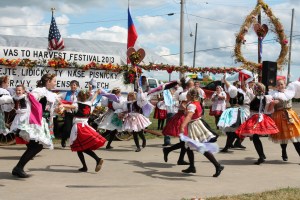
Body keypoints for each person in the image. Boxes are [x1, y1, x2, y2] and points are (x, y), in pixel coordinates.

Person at [12, 73, 58, 178]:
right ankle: (18, 168)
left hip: (41, 122)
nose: (55, 83)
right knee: (36, 146)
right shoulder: (39, 91)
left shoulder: (47, 93)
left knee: (36, 146)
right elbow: (30, 101)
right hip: (34, 122)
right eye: (54, 81)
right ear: (48, 82)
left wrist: (57, 110)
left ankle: (18, 168)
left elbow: (47, 108)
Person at [179, 88, 224, 177]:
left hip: (194, 126)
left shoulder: (192, 105)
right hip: (196, 124)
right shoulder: (195, 103)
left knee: (201, 147)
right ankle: (192, 166)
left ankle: (218, 165)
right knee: (188, 146)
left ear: (190, 96)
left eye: (187, 94)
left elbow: (189, 116)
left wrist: (182, 125)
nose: (186, 96)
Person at [60, 89, 106, 172]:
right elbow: (93, 99)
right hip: (86, 126)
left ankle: (96, 160)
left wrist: (62, 104)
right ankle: (88, 164)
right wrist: (96, 93)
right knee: (80, 147)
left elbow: (70, 106)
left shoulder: (77, 105)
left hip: (78, 127)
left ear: (78, 97)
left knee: (79, 147)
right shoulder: (89, 104)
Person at [236, 82, 279, 165]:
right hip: (261, 117)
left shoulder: (254, 96)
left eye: (255, 88)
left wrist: (245, 81)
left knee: (255, 138)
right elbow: (268, 110)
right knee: (255, 138)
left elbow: (243, 87)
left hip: (255, 118)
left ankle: (261, 156)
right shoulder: (266, 98)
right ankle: (261, 155)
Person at [218, 73, 254, 152]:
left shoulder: (248, 91)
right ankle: (229, 145)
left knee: (236, 129)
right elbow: (229, 87)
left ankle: (232, 144)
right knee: (232, 129)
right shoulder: (235, 90)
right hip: (237, 110)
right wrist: (225, 79)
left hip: (244, 111)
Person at [162, 77, 194, 165]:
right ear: (188, 85)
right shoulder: (186, 93)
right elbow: (183, 105)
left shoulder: (182, 91)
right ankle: (168, 150)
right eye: (192, 84)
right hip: (182, 117)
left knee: (184, 142)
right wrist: (189, 111)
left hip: (181, 116)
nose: (193, 85)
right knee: (184, 142)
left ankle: (180, 159)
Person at [268, 79, 300, 161]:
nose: (280, 86)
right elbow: (269, 109)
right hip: (278, 116)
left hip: (289, 115)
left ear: (285, 84)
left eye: (281, 84)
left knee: (294, 137)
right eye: (278, 85)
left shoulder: (290, 92)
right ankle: (284, 152)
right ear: (276, 86)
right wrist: (272, 103)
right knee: (283, 137)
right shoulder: (273, 94)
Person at [59, 80, 79, 148]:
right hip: (68, 113)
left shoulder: (79, 94)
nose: (73, 86)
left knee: (76, 129)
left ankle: (74, 143)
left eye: (75, 85)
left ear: (77, 86)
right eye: (72, 85)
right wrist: (61, 103)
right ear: (70, 86)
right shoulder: (66, 93)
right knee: (68, 129)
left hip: (77, 114)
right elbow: (57, 97)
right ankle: (63, 139)